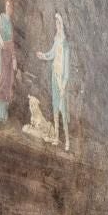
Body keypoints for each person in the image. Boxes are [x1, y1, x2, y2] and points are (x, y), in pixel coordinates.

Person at [36, 13, 70, 151]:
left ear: (63, 26)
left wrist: (63, 84)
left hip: (61, 80)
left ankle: (67, 140)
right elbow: (51, 54)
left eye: (59, 24)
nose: (57, 27)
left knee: (63, 109)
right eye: (56, 24)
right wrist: (43, 55)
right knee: (55, 106)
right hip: (53, 76)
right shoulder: (56, 41)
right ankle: (56, 137)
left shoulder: (66, 45)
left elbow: (66, 68)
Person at [0, 0, 17, 121]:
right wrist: (1, 41)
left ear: (12, 9)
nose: (8, 8)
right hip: (2, 52)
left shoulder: (10, 23)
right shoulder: (1, 18)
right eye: (6, 6)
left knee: (8, 82)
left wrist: (14, 58)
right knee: (1, 80)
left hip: (9, 54)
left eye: (10, 7)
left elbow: (12, 42)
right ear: (4, 7)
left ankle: (2, 114)